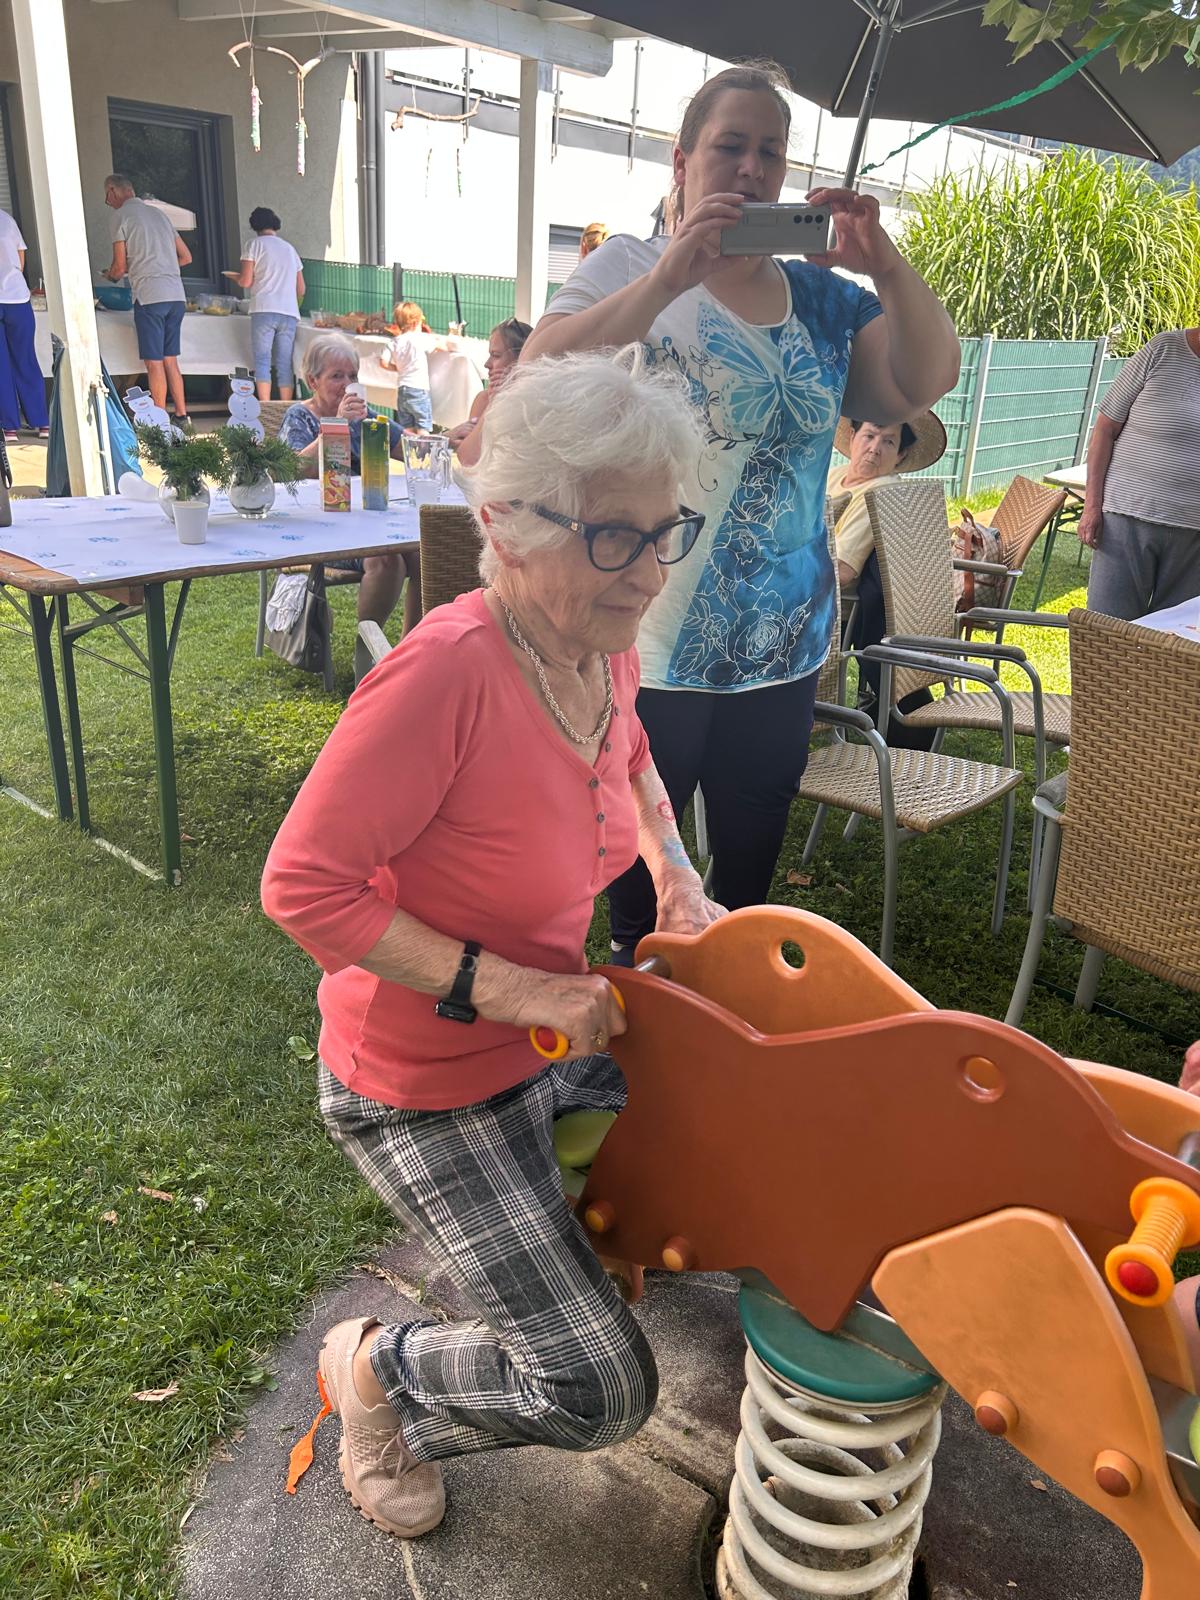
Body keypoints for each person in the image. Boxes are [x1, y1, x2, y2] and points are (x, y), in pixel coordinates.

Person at [261, 346, 722, 1539]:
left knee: (744, 1117)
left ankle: (565, 1247)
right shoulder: (445, 677)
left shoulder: (598, 640)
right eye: (612, 537)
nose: (647, 573)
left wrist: (673, 870)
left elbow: (630, 755)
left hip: (543, 1045)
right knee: (597, 1388)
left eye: (662, 533)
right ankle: (375, 1372)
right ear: (506, 527)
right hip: (418, 1084)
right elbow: (301, 887)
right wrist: (517, 987)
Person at [521, 59, 959, 963]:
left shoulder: (826, 303)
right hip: (645, 636)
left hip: (780, 646)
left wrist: (885, 264)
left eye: (770, 151)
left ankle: (729, 1014)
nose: (752, 168)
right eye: (730, 147)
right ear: (683, 162)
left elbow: (924, 380)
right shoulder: (630, 265)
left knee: (747, 882)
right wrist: (668, 279)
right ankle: (643, 1010)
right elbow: (539, 373)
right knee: (640, 883)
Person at [278, 333, 420, 633]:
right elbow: (290, 471)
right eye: (336, 376)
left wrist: (451, 439)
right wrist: (336, 426)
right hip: (320, 527)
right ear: (312, 381)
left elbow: (408, 447)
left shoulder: (363, 417)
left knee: (424, 554)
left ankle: (412, 644)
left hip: (365, 522)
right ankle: (366, 649)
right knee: (386, 560)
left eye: (352, 376)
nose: (347, 384)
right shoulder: (300, 417)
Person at [827, 412, 947, 748]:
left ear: (901, 456)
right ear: (853, 437)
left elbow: (842, 572)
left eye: (889, 442)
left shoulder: (880, 490)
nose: (875, 448)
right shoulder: (834, 476)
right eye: (869, 435)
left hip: (834, 605)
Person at [1079, 327, 1200, 619]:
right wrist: (1092, 506)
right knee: (1107, 630)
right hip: (1127, 518)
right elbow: (1105, 429)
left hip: (1194, 536)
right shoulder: (1163, 349)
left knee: (1175, 637)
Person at [102, 174, 191, 424]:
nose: (108, 202)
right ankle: (182, 416)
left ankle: (159, 421)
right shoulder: (159, 215)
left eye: (107, 197)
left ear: (113, 191)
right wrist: (160, 267)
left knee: (154, 363)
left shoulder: (120, 216)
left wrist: (110, 275)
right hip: (176, 295)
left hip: (150, 297)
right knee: (171, 360)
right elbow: (186, 257)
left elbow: (119, 267)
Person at [224, 206, 305, 403]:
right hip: (289, 312)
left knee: (262, 361)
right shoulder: (290, 249)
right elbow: (301, 289)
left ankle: (266, 407)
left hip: (264, 309)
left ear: (255, 225)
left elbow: (245, 281)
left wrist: (234, 277)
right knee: (284, 363)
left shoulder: (253, 245)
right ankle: (286, 407)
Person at [446, 317, 532, 470]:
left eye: (496, 355)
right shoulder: (484, 400)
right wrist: (495, 402)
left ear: (520, 361)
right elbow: (468, 459)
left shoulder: (534, 405)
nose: (487, 364)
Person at [0, 206, 48, 442]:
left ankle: (9, 427)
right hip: (17, 297)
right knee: (25, 358)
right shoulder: (7, 219)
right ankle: (41, 422)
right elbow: (20, 261)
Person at [380, 301, 450, 431]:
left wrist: (396, 368)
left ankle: (408, 445)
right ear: (415, 322)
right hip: (418, 389)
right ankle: (424, 445)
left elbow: (383, 363)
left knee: (408, 430)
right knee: (423, 427)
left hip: (402, 390)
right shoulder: (420, 338)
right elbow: (443, 346)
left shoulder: (393, 342)